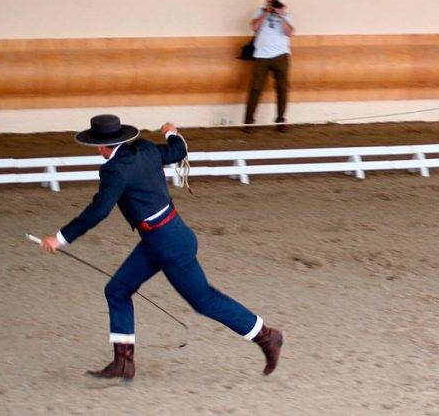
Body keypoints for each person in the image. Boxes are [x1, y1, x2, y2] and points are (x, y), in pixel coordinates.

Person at [40, 114, 283, 380]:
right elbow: (177, 151)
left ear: (102, 146)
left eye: (97, 146)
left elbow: (98, 211)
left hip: (168, 244)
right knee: (117, 290)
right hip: (160, 238)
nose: (97, 150)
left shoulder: (114, 170)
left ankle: (267, 336)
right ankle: (123, 362)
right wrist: (171, 132)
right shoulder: (145, 148)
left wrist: (60, 238)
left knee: (204, 300)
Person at [243, 0, 294, 132]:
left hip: (281, 55)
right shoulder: (260, 12)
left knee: (282, 88)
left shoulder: (285, 13)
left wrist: (281, 15)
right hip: (261, 56)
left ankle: (280, 120)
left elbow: (289, 33)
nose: (271, 0)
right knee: (255, 88)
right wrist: (266, 12)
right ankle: (248, 122)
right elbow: (253, 26)